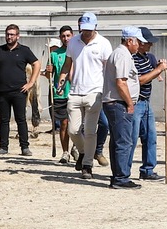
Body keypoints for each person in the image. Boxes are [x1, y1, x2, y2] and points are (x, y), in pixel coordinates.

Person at [64, 12, 112, 176]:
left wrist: (106, 90)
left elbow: (108, 69)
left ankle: (87, 164)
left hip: (95, 92)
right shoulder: (73, 42)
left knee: (91, 131)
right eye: (83, 29)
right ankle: (84, 151)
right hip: (75, 91)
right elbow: (67, 63)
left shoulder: (104, 43)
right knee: (73, 130)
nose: (86, 32)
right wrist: (62, 78)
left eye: (89, 29)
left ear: (95, 27)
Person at [0, 24, 41, 155]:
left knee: (20, 119)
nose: (9, 37)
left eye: (12, 34)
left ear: (18, 36)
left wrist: (31, 82)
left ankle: (25, 147)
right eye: (7, 34)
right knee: (4, 120)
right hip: (2, 91)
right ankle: (3, 147)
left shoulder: (24, 50)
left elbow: (36, 64)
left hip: (19, 91)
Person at [101, 29, 144, 189]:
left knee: (118, 140)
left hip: (115, 102)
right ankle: (121, 177)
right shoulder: (123, 55)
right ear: (129, 41)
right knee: (124, 141)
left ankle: (118, 175)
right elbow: (121, 82)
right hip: (119, 103)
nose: (139, 45)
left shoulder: (120, 54)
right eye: (137, 42)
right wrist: (130, 103)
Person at [128, 26, 167, 181]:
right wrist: (158, 70)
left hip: (146, 102)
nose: (151, 45)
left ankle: (148, 170)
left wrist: (159, 68)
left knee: (150, 137)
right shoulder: (132, 59)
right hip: (136, 103)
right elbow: (141, 80)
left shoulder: (148, 57)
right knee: (131, 139)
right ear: (140, 42)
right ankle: (124, 171)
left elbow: (154, 70)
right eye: (148, 42)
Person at [47, 25, 73, 160]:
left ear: (73, 36)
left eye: (68, 35)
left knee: (77, 125)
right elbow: (49, 76)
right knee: (64, 123)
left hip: (77, 93)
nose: (66, 38)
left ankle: (77, 147)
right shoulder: (54, 55)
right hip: (60, 93)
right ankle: (65, 152)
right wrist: (48, 71)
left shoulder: (79, 52)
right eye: (63, 36)